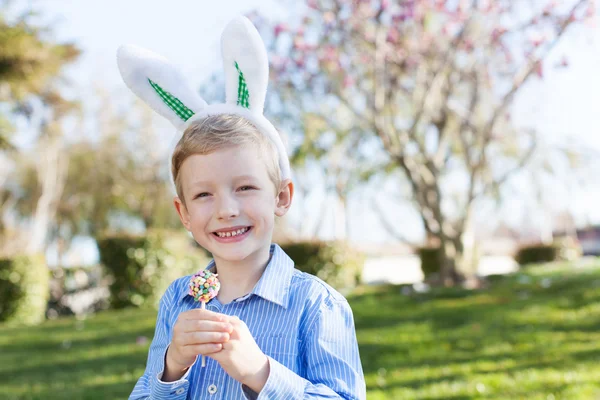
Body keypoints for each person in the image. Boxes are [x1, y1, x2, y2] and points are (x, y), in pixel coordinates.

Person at [118, 15, 366, 400]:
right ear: (183, 213)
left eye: (245, 187)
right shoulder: (177, 301)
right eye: (203, 195)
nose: (226, 209)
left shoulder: (317, 306)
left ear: (281, 196)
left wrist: (261, 373)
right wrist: (170, 368)